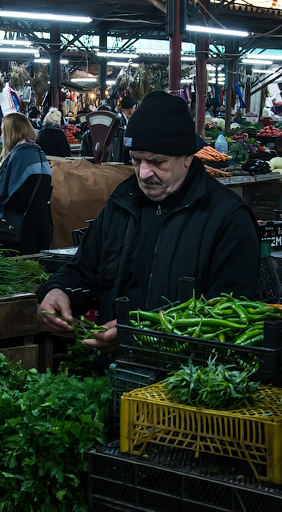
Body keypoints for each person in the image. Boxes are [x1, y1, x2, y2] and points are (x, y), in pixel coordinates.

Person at [37, 91, 260, 351]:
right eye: (136, 160)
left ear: (188, 157)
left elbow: (228, 316)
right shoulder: (122, 202)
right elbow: (84, 269)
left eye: (157, 162)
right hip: (115, 371)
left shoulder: (229, 219)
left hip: (181, 381)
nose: (143, 173)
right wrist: (59, 290)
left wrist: (145, 333)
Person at [0, 113, 52, 255]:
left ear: (11, 133)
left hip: (20, 233)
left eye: (3, 131)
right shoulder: (38, 152)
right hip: (40, 226)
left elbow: (12, 198)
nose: (1, 135)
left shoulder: (17, 156)